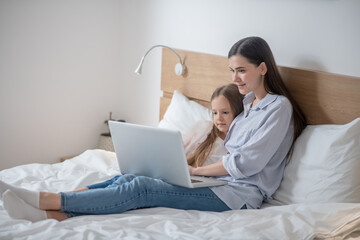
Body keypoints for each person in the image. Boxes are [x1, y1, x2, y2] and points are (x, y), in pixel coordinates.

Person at [0, 84, 244, 222]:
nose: (218, 119)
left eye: (225, 113)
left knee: (138, 187)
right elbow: (174, 153)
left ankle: (47, 202)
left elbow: (234, 169)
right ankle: (52, 210)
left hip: (210, 188)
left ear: (239, 112)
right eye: (214, 112)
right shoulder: (203, 129)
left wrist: (195, 172)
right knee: (125, 179)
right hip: (184, 178)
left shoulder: (239, 140)